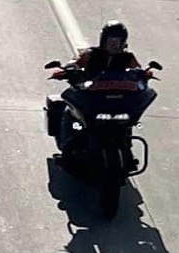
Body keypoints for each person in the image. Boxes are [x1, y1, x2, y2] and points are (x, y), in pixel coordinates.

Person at [53, 22, 142, 170]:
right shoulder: (91, 54)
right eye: (111, 41)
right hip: (93, 98)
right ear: (104, 40)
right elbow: (75, 62)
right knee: (69, 112)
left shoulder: (128, 58)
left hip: (118, 100)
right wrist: (68, 70)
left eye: (118, 41)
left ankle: (127, 150)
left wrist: (144, 74)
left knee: (127, 121)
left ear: (124, 42)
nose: (114, 45)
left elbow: (137, 70)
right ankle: (66, 147)